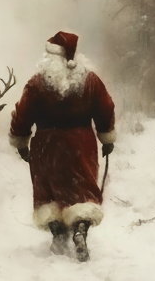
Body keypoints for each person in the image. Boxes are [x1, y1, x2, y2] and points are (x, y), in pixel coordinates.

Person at [9, 31, 116, 262]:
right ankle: (80, 230)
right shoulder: (90, 80)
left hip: (47, 146)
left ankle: (58, 233)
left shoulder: (38, 82)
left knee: (48, 191)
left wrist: (21, 140)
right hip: (81, 144)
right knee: (82, 190)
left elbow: (22, 113)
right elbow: (106, 107)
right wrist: (106, 138)